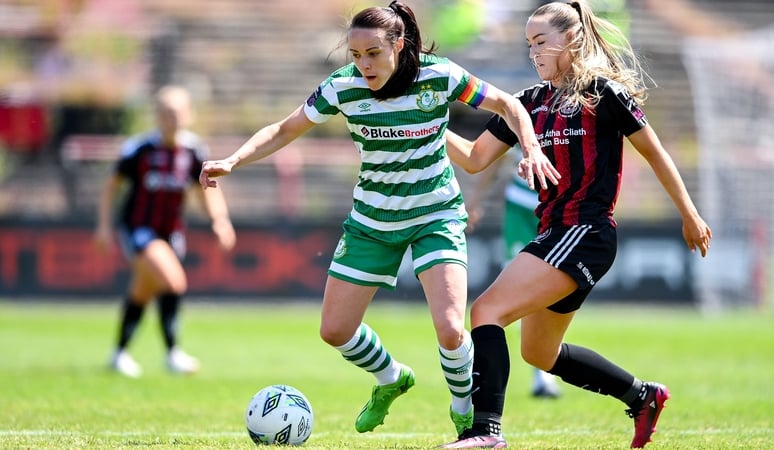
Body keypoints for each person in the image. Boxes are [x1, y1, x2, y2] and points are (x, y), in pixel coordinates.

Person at [198, 1, 557, 437]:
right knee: (334, 331)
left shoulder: (438, 75)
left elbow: (507, 104)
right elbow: (283, 129)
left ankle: (464, 408)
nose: (362, 64)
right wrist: (233, 160)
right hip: (372, 220)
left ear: (399, 45)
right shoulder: (343, 86)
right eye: (355, 55)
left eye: (372, 53)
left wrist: (534, 149)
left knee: (449, 328)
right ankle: (391, 378)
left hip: (434, 215)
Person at [442, 1, 712, 448]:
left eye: (541, 42)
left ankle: (485, 432)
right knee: (538, 353)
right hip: (554, 232)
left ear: (571, 40)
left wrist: (690, 213)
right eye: (528, 44)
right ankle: (642, 396)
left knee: (486, 312)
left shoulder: (602, 94)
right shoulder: (527, 102)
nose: (533, 52)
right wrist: (427, 122)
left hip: (585, 232)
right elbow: (474, 159)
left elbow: (655, 152)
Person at [94, 85, 236, 378]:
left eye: (178, 112)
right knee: (173, 282)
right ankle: (173, 354)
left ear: (189, 115)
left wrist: (220, 220)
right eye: (166, 113)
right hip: (138, 229)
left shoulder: (194, 151)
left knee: (143, 290)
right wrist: (104, 227)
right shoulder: (140, 150)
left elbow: (206, 188)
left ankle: (119, 353)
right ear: (157, 116)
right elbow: (112, 187)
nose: (172, 119)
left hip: (171, 232)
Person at [463, 145, 561, 399]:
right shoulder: (519, 107)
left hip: (557, 209)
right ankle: (538, 375)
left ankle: (542, 370)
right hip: (521, 207)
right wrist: (475, 200)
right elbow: (495, 157)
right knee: (517, 285)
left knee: (547, 288)